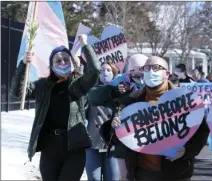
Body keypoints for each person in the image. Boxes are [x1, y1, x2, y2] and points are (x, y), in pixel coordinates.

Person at [89, 56, 210, 180]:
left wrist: (187, 151)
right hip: (143, 172)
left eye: (156, 68)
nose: (151, 71)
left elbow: (202, 131)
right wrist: (115, 126)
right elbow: (120, 136)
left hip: (176, 171)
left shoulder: (184, 99)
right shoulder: (132, 99)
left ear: (167, 74)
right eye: (147, 68)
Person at [10, 35, 100, 180]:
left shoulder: (78, 84)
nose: (63, 62)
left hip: (74, 147)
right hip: (49, 147)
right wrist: (23, 65)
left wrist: (85, 45)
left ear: (72, 62)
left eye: (66, 59)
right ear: (51, 65)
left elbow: (95, 70)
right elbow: (16, 93)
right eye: (58, 60)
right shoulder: (42, 86)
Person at [88, 53, 149, 180]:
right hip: (122, 141)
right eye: (135, 69)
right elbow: (94, 97)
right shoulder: (121, 81)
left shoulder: (154, 84)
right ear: (130, 70)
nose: (139, 73)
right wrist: (116, 90)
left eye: (143, 69)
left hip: (148, 139)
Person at [85, 60, 120, 181]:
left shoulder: (120, 93)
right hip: (93, 142)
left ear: (114, 73)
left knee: (113, 178)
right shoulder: (91, 91)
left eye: (108, 70)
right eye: (102, 70)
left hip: (113, 144)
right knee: (94, 178)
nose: (105, 73)